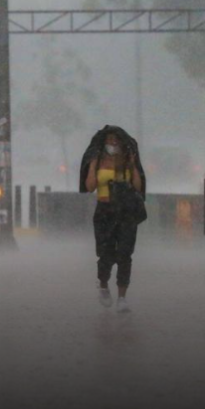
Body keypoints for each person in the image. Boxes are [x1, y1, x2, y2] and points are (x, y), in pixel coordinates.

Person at [80, 126, 146, 313]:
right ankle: (103, 284)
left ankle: (122, 298)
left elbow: (137, 186)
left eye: (116, 140)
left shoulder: (127, 161)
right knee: (106, 254)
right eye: (109, 139)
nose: (113, 143)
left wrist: (132, 166)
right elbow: (90, 186)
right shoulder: (99, 161)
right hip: (104, 212)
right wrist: (93, 166)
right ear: (103, 143)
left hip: (126, 213)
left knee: (125, 255)